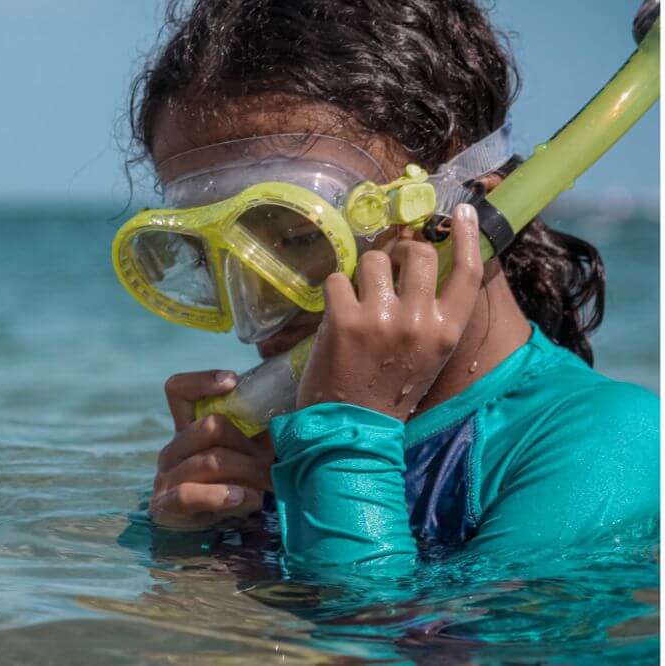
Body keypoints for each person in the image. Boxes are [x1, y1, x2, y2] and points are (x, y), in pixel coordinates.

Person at [120, 0, 659, 572]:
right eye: (211, 258)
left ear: (464, 211)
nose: (256, 313)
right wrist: (195, 543)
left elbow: (378, 646)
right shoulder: (279, 448)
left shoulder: (611, 444)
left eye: (302, 236)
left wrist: (345, 442)